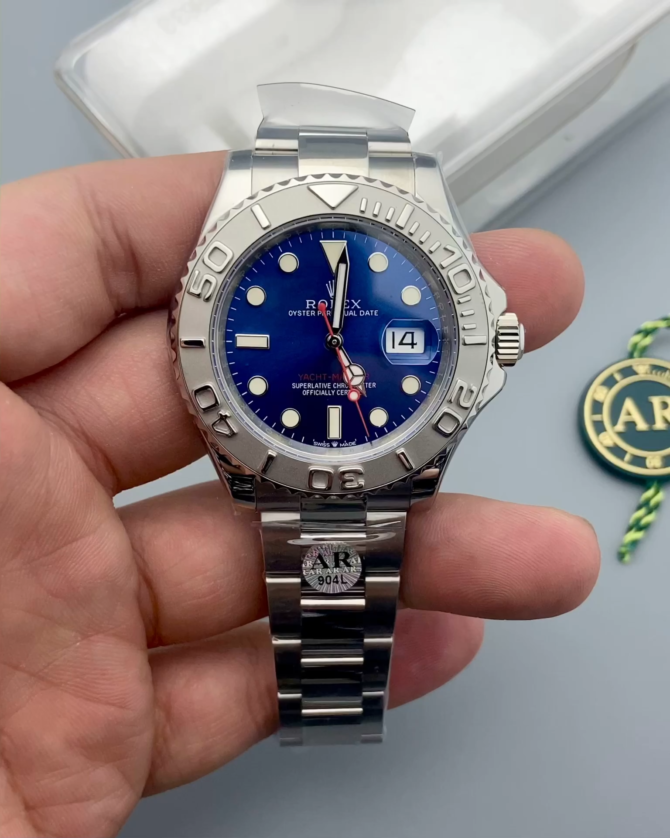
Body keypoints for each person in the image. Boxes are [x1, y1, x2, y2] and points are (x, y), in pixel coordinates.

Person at [0, 153, 600, 838]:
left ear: (495, 341)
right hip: (295, 448)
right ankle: (329, 701)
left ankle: (330, 700)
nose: (334, 339)